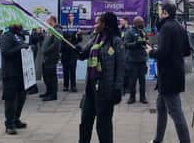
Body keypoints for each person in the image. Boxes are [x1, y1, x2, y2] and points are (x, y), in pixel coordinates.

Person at [77, 12, 125, 143]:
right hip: (90, 88)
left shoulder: (115, 41)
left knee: (103, 125)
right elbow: (82, 54)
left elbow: (121, 67)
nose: (95, 25)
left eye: (98, 22)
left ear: (105, 25)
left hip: (106, 90)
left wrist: (117, 89)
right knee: (85, 122)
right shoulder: (95, 38)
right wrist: (75, 47)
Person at [146, 2, 191, 143]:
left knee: (176, 113)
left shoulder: (166, 28)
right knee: (161, 107)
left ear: (165, 13)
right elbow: (187, 50)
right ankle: (157, 140)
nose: (159, 14)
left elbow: (163, 52)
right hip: (175, 73)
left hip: (168, 76)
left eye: (160, 11)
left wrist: (151, 52)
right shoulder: (180, 27)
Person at [0, 24, 30, 135]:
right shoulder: (6, 35)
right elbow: (5, 52)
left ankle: (16, 119)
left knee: (21, 98)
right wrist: (20, 47)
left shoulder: (20, 35)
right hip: (10, 73)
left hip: (22, 72)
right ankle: (9, 124)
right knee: (10, 100)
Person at [125, 16, 148, 104]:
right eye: (141, 22)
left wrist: (146, 43)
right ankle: (132, 97)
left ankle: (143, 97)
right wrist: (136, 44)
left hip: (142, 60)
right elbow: (126, 45)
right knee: (132, 80)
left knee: (142, 80)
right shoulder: (129, 32)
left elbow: (147, 41)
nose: (143, 24)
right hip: (133, 60)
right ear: (136, 23)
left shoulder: (144, 31)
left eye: (143, 22)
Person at [40, 15, 63, 101]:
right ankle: (48, 92)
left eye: (47, 20)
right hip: (46, 56)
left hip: (52, 56)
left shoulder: (57, 30)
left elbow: (56, 44)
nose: (46, 22)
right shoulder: (50, 30)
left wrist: (46, 50)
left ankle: (53, 95)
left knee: (51, 76)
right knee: (46, 75)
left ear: (51, 20)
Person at [61, 12, 82, 92]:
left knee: (73, 68)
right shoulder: (64, 27)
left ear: (73, 18)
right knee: (65, 68)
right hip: (65, 51)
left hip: (73, 51)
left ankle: (73, 86)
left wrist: (79, 35)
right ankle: (65, 85)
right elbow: (62, 38)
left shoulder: (76, 27)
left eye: (72, 16)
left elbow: (80, 40)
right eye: (69, 16)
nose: (70, 17)